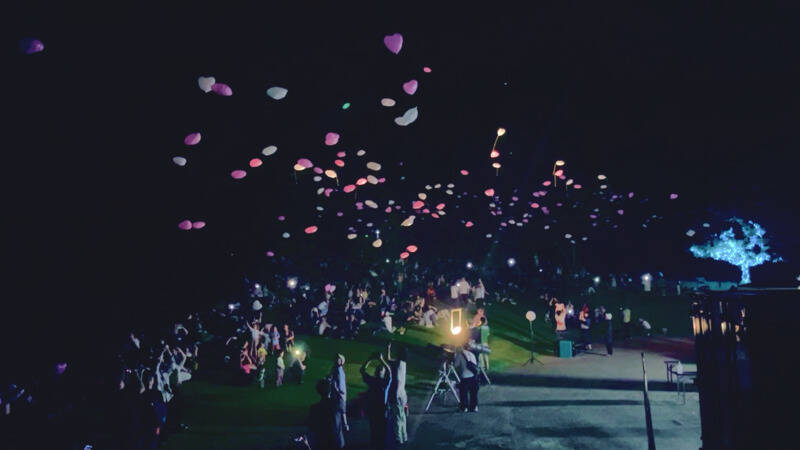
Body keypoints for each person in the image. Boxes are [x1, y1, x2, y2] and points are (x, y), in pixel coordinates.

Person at [360, 353, 391, 450]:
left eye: (381, 369)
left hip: (378, 410)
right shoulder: (383, 382)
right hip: (379, 410)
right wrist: (379, 360)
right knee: (378, 430)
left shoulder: (380, 381)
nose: (379, 370)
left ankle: (377, 445)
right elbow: (389, 372)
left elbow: (362, 370)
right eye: (379, 369)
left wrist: (371, 359)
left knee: (377, 430)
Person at [386, 342, 408, 446]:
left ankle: (399, 439)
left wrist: (395, 395)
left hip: (398, 394)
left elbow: (398, 380)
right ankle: (404, 436)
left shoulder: (398, 365)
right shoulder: (403, 363)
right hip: (402, 394)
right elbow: (388, 360)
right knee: (402, 417)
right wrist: (388, 349)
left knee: (397, 419)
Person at [307, 379, 336, 450]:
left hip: (321, 441)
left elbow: (311, 427)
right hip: (335, 441)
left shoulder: (314, 408)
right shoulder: (336, 406)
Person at [329, 354, 348, 448]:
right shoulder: (336, 369)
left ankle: (339, 442)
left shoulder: (338, 370)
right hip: (338, 397)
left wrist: (338, 390)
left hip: (338, 397)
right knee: (338, 418)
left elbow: (339, 384)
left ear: (341, 361)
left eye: (339, 359)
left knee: (337, 420)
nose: (337, 360)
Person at [454, 343, 479, 412]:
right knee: (473, 393)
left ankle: (464, 407)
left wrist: (454, 357)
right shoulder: (472, 354)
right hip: (473, 376)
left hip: (465, 377)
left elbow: (456, 365)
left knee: (463, 393)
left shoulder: (459, 355)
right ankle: (474, 407)